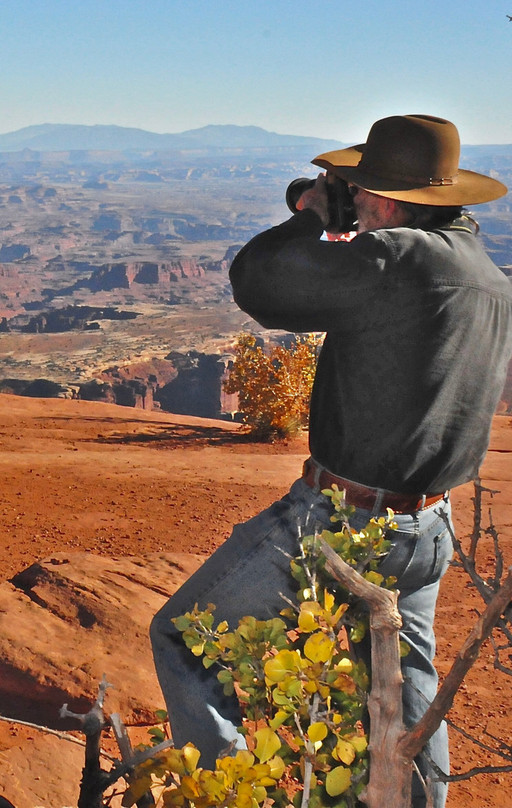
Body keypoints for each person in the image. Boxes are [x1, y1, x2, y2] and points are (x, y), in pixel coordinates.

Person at [150, 114, 512, 808]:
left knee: (186, 639)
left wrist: (310, 217)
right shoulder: (485, 277)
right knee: (407, 696)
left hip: (341, 520)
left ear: (386, 198)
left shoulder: (401, 258)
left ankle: (231, 796)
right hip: (430, 528)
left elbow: (258, 282)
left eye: (362, 188)